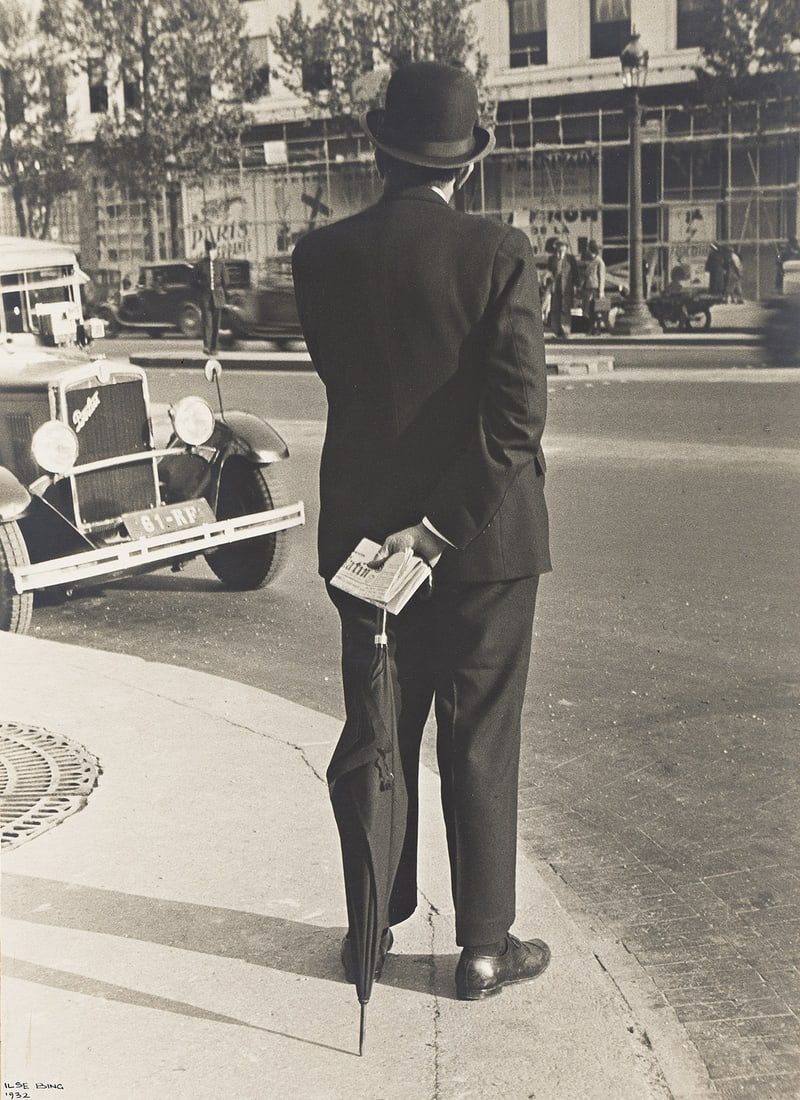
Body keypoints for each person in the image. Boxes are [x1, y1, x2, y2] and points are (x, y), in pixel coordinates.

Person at [292, 61, 551, 1001]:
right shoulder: (497, 253)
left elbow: (356, 392)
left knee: (380, 730)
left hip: (365, 547)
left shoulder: (318, 257)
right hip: (482, 547)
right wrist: (437, 529)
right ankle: (484, 948)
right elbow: (517, 419)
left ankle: (374, 927)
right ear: (468, 163)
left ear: (377, 148)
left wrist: (399, 526)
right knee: (480, 737)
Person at [193, 238, 227, 354]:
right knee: (207, 322)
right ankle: (206, 346)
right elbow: (192, 281)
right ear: (207, 252)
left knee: (216, 323)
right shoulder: (200, 264)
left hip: (218, 296)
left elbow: (226, 281)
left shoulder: (220, 264)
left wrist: (221, 291)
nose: (212, 252)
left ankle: (214, 347)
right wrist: (202, 287)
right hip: (205, 296)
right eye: (210, 250)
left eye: (213, 250)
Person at [547, 238, 578, 338]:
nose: (560, 247)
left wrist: (575, 286)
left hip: (566, 287)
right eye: (559, 245)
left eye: (562, 245)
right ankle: (557, 331)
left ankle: (566, 330)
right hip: (555, 287)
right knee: (555, 308)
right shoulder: (552, 259)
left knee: (565, 308)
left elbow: (575, 273)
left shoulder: (570, 259)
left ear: (566, 247)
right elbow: (549, 272)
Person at [580, 240, 606, 333]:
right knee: (590, 310)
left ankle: (597, 329)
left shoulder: (599, 262)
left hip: (595, 289)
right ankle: (591, 329)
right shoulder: (592, 262)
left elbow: (601, 277)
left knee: (596, 311)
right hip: (589, 288)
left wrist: (601, 291)